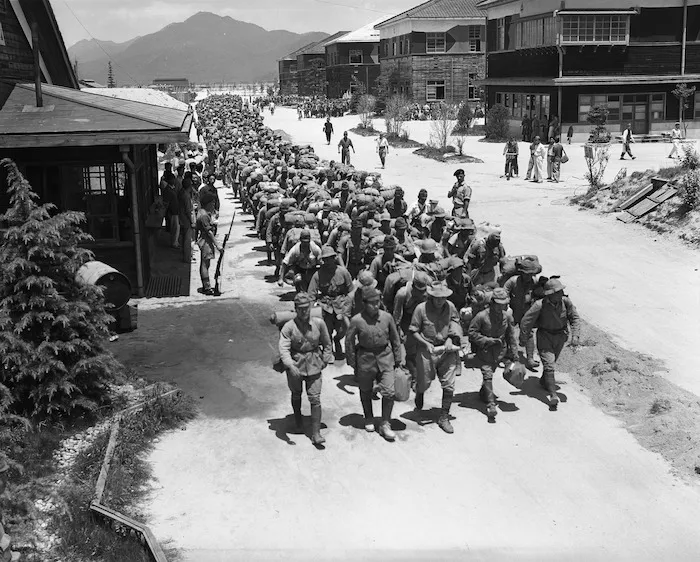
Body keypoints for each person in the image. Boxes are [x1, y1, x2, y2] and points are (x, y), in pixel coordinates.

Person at [345, 286, 402, 439]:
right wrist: (352, 360)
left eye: (377, 302)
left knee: (389, 392)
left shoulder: (387, 317)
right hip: (365, 358)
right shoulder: (357, 320)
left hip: (385, 357)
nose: (375, 306)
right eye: (372, 303)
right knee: (365, 390)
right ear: (364, 303)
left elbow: (395, 339)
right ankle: (368, 417)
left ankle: (385, 423)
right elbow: (349, 340)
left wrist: (398, 359)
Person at [278, 292, 334, 446]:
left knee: (315, 398)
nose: (304, 311)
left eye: (306, 308)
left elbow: (328, 343)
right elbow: (283, 348)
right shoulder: (289, 327)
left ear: (310, 307)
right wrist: (290, 365)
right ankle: (298, 421)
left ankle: (316, 433)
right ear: (295, 309)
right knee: (296, 394)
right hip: (296, 364)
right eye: (300, 308)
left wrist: (325, 360)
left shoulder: (319, 323)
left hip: (314, 363)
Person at [408, 281, 463, 434]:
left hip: (446, 350)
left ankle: (443, 417)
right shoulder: (421, 309)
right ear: (431, 297)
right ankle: (420, 391)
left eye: (443, 298)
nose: (440, 301)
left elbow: (455, 322)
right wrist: (425, 343)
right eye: (437, 298)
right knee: (424, 381)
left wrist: (451, 338)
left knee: (449, 385)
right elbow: (413, 330)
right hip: (427, 350)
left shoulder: (450, 306)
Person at [519, 278, 581, 410]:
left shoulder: (566, 302)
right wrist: (523, 338)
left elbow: (574, 318)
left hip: (560, 337)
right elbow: (526, 321)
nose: (561, 293)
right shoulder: (539, 305)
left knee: (551, 364)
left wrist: (575, 335)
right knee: (549, 364)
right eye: (558, 291)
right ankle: (553, 396)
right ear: (550, 294)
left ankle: (544, 381)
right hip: (545, 337)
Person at [468, 287, 518, 421]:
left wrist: (514, 353)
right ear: (492, 303)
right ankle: (491, 405)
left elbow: (511, 336)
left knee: (491, 373)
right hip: (484, 351)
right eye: (499, 304)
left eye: (503, 304)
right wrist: (486, 340)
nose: (501, 307)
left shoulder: (506, 317)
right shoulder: (481, 316)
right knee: (487, 374)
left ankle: (484, 393)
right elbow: (472, 333)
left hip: (499, 352)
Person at [307, 245, 353, 358]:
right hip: (326, 305)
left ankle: (337, 339)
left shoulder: (343, 272)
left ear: (334, 258)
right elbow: (311, 295)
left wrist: (349, 305)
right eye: (325, 259)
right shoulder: (317, 275)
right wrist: (311, 312)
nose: (327, 262)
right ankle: (329, 350)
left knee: (344, 328)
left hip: (341, 304)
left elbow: (351, 291)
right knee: (326, 330)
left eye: (330, 258)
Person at [195, 192, 222, 295]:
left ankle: (206, 285)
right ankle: (207, 287)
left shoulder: (202, 213)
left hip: (204, 240)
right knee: (205, 264)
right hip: (206, 241)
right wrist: (217, 245)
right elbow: (209, 232)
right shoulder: (204, 215)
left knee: (206, 263)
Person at [178, 172, 195, 263]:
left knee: (184, 238)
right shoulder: (186, 196)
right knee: (187, 240)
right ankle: (187, 258)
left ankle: (185, 256)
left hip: (181, 218)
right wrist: (192, 221)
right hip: (186, 220)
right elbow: (188, 211)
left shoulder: (182, 192)